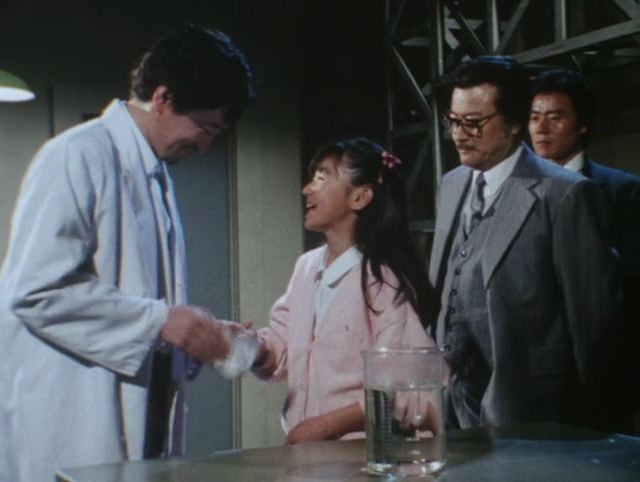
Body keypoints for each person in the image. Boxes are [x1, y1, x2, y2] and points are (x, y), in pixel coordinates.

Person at [0, 23, 256, 482]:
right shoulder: (77, 155)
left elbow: (138, 303)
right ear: (163, 98)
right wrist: (161, 321)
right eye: (204, 127)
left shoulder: (153, 175)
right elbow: (33, 290)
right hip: (70, 421)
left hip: (137, 422)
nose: (205, 145)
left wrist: (195, 332)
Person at [429, 55, 619, 431]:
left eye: (473, 123)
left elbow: (592, 322)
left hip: (531, 406)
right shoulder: (452, 184)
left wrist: (588, 420)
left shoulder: (564, 192)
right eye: (453, 121)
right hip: (453, 401)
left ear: (515, 122)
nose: (459, 135)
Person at [250, 138, 438, 443]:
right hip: (309, 453)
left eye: (321, 178)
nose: (306, 189)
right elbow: (285, 349)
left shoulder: (382, 280)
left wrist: (328, 425)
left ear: (360, 197)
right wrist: (252, 347)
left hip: (361, 454)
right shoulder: (307, 267)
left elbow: (409, 389)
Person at [529, 68, 640, 432]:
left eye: (555, 117)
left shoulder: (623, 192)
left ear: (582, 125)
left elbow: (629, 291)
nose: (541, 128)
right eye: (534, 117)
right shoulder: (516, 192)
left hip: (602, 372)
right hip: (532, 374)